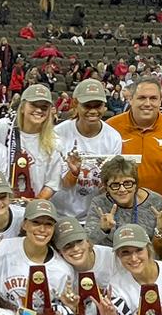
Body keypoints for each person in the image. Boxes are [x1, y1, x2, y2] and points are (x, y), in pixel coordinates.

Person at [107, 74, 162, 198]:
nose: (147, 103)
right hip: (118, 211)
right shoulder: (110, 128)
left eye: (153, 98)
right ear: (131, 99)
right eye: (142, 98)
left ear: (160, 100)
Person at [53, 78, 124, 221]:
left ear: (104, 106)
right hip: (59, 213)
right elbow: (60, 183)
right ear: (76, 104)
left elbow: (108, 186)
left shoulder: (113, 137)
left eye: (97, 105)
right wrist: (73, 173)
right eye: (87, 106)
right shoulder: (58, 133)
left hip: (93, 215)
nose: (93, 111)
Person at [0, 83, 59, 200]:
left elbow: (52, 183)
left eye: (44, 107)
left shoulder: (54, 140)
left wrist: (34, 204)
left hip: (34, 205)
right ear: (22, 107)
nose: (39, 110)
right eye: (33, 105)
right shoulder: (3, 128)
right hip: (1, 204)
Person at [85, 154, 162, 249]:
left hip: (144, 258)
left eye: (127, 183)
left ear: (136, 184)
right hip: (112, 258)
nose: (122, 189)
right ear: (106, 187)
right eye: (115, 185)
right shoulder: (99, 203)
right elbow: (87, 244)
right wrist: (102, 229)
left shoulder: (155, 200)